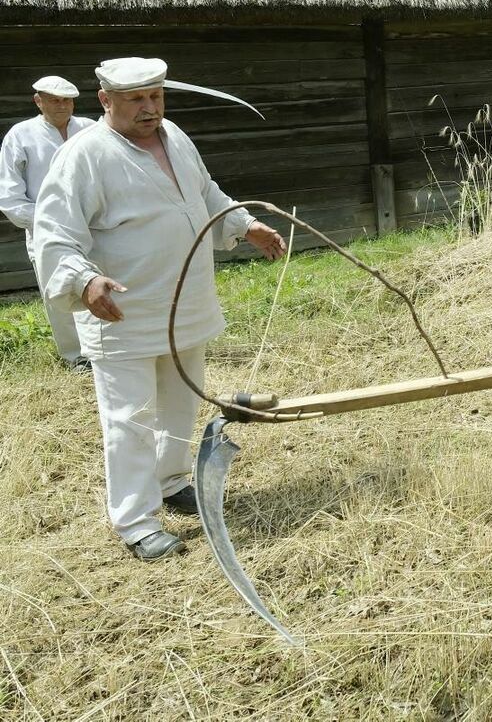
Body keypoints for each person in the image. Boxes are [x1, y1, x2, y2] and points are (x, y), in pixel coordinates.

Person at [33, 57, 287, 561]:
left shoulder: (176, 136)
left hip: (185, 301)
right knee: (129, 416)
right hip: (123, 310)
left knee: (179, 402)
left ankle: (171, 481)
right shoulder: (84, 155)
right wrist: (84, 281)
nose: (150, 108)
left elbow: (205, 193)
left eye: (156, 96)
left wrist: (243, 225)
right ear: (106, 101)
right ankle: (135, 520)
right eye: (135, 99)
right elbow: (55, 233)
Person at [0, 76, 96, 369]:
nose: (61, 105)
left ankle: (103, 347)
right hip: (46, 229)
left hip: (92, 223)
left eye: (66, 99)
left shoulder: (90, 129)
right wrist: (42, 222)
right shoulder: (21, 135)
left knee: (99, 282)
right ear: (38, 101)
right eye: (53, 99)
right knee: (59, 289)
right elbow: (9, 193)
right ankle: (76, 355)